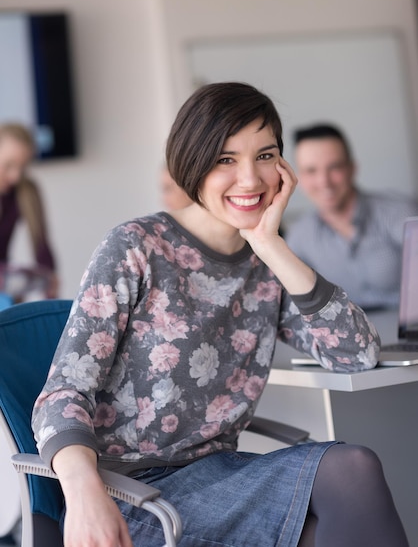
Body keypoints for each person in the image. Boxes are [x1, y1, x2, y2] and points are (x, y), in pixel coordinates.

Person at [32, 83, 407, 547]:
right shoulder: (135, 247)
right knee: (344, 488)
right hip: (129, 493)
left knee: (353, 471)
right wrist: (86, 493)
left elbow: (356, 355)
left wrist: (269, 245)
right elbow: (62, 394)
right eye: (225, 160)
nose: (250, 180)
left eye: (265, 155)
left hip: (220, 478)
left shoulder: (266, 263)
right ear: (193, 164)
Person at [285, 123, 418, 311]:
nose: (324, 181)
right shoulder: (299, 237)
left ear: (352, 168)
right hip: (349, 335)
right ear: (299, 178)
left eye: (334, 167)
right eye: (311, 171)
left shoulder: (400, 212)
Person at [0, 122, 58, 302]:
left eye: (22, 167)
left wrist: (50, 279)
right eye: (8, 165)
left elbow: (41, 243)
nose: (15, 176)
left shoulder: (26, 192)